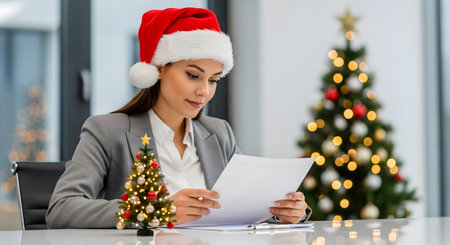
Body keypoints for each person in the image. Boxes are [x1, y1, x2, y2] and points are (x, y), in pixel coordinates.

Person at [46, 7, 311, 228]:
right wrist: (157, 211)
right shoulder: (106, 131)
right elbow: (61, 209)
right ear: (159, 69)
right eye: (193, 75)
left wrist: (281, 212)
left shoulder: (219, 133)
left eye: (213, 80)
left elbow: (243, 209)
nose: (204, 91)